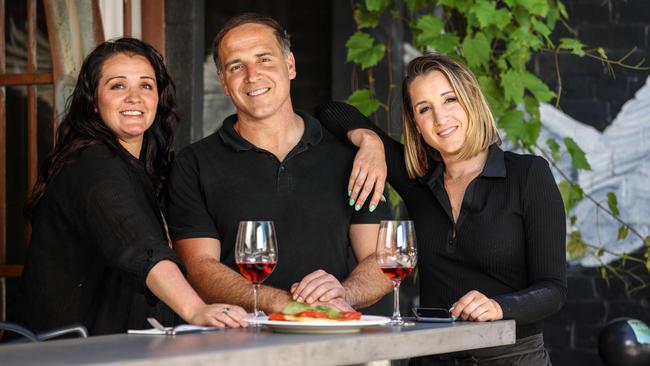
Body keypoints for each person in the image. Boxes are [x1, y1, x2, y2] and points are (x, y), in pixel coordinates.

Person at [316, 54, 566, 365]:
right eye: (424, 109)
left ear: (472, 100)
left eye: (450, 100)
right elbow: (330, 111)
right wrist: (371, 142)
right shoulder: (417, 181)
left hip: (511, 356)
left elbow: (553, 289)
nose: (440, 118)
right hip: (431, 355)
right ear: (416, 124)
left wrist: (499, 307)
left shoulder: (527, 175)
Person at [17, 38, 248, 336]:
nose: (134, 97)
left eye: (146, 86)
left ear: (158, 98)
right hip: (56, 354)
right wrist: (195, 309)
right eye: (118, 86)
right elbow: (139, 247)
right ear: (93, 102)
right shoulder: (92, 163)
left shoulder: (140, 167)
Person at [166, 13, 392, 314]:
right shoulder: (193, 164)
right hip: (240, 346)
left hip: (333, 338)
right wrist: (284, 304)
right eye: (236, 66)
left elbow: (381, 259)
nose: (252, 75)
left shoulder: (351, 158)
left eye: (264, 59)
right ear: (222, 82)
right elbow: (199, 268)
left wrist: (343, 295)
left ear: (290, 65)